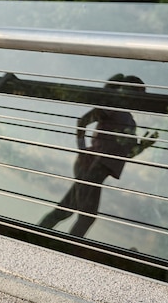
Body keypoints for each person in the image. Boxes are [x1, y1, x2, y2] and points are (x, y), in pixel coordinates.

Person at [39, 74, 158, 237]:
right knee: (81, 216)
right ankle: (61, 246)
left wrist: (143, 146)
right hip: (92, 166)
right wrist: (82, 152)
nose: (140, 99)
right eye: (138, 93)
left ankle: (41, 237)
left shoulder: (130, 122)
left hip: (96, 170)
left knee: (70, 211)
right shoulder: (114, 108)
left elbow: (127, 154)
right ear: (127, 90)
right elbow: (83, 121)